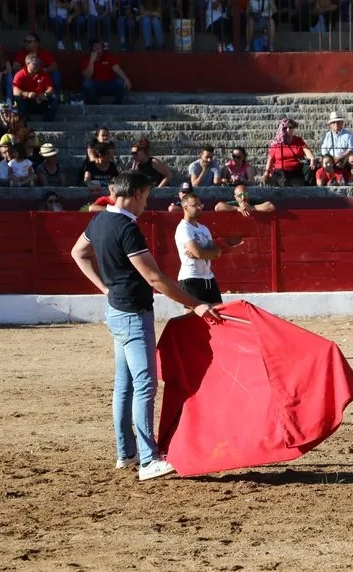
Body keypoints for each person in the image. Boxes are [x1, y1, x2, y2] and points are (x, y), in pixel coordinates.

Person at [70, 171, 221, 482]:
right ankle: (149, 459)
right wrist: (197, 303)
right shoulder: (126, 228)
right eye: (147, 196)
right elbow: (154, 278)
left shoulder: (98, 221)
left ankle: (127, 453)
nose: (146, 203)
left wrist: (104, 288)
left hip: (116, 310)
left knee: (124, 385)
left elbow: (78, 253)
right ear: (136, 193)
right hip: (133, 314)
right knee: (144, 385)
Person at [175, 192, 239, 305]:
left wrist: (203, 253)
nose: (199, 208)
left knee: (218, 313)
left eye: (200, 205)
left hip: (208, 277)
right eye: (195, 205)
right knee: (192, 317)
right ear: (185, 207)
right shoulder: (183, 228)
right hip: (191, 277)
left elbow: (217, 252)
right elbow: (199, 252)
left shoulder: (204, 229)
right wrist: (206, 253)